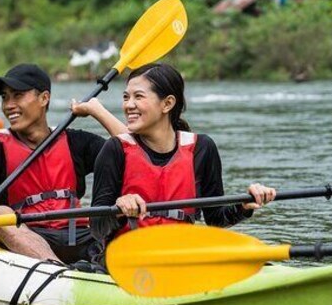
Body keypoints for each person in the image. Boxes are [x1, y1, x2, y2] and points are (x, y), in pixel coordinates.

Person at [89, 63, 276, 266]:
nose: (128, 105)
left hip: (179, 257)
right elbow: (97, 226)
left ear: (167, 104)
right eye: (126, 97)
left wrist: (244, 205)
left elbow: (216, 218)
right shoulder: (115, 150)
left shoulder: (201, 148)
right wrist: (118, 207)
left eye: (138, 96)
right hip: (127, 261)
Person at [0, 63, 126, 270]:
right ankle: (58, 271)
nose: (8, 105)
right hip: (27, 238)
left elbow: (134, 151)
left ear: (44, 98)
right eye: (4, 97)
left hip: (81, 237)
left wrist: (96, 110)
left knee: (126, 203)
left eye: (17, 95)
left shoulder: (76, 141)